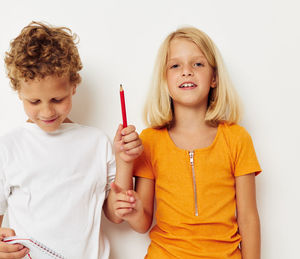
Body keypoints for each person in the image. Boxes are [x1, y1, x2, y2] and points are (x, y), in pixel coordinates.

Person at [0, 21, 143, 259]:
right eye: (34, 102)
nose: (47, 112)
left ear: (73, 85)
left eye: (57, 99)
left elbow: (115, 215)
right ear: (19, 93)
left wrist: (125, 161)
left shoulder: (96, 143)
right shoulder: (7, 149)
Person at [111, 27, 262, 258]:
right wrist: (134, 211)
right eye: (175, 66)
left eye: (198, 64)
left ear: (214, 78)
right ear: (165, 80)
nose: (187, 72)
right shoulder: (150, 141)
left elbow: (248, 218)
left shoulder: (237, 138)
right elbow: (142, 224)